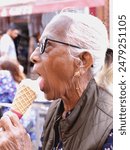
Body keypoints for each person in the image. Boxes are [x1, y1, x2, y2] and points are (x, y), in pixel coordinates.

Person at [0, 11, 113, 150]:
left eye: (46, 46)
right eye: (37, 45)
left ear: (83, 61)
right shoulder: (56, 109)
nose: (33, 56)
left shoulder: (113, 128)